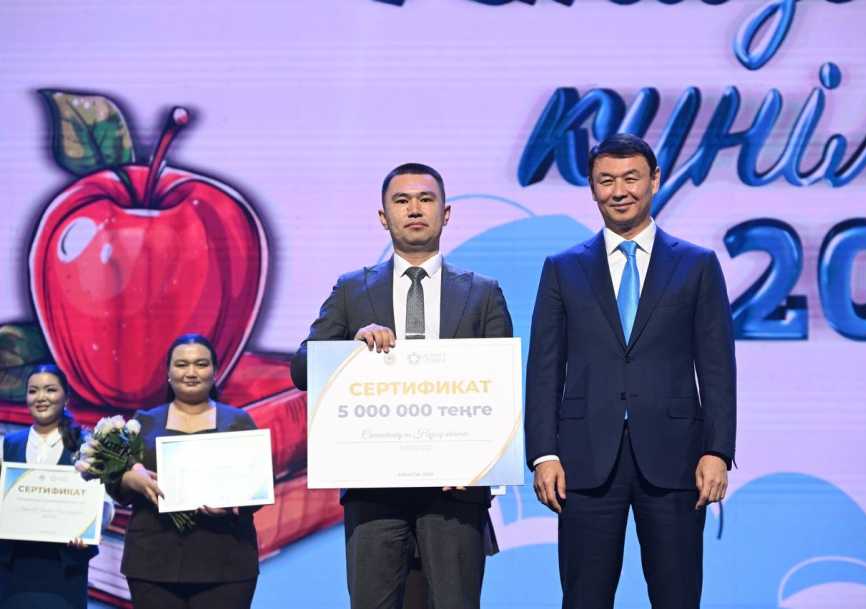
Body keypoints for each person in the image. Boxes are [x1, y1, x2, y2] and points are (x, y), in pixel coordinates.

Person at [525, 134, 737, 609]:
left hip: (677, 458)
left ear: (654, 181)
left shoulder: (697, 265)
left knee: (678, 596)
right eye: (606, 181)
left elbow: (718, 367)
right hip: (584, 461)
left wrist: (718, 450)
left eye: (631, 178)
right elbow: (543, 369)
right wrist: (543, 455)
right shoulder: (562, 268)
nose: (619, 191)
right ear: (592, 188)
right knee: (584, 597)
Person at [290, 162, 513, 609]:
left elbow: (502, 389)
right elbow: (301, 367)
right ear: (383, 216)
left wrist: (481, 466)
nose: (414, 209)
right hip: (374, 490)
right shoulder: (352, 289)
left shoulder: (482, 292)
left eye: (426, 199)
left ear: (446, 214)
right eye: (402, 200)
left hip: (456, 490)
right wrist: (350, 350)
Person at [109, 334, 260, 609]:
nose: (191, 372)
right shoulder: (144, 422)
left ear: (215, 371)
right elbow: (116, 482)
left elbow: (260, 485)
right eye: (182, 364)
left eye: (201, 364)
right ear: (168, 372)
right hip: (153, 562)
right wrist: (130, 479)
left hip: (226, 561)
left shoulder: (238, 421)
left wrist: (232, 501)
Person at [0, 363, 113, 609]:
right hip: (15, 566)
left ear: (66, 397)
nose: (41, 397)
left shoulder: (87, 445)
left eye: (50, 390)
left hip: (65, 568)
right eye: (33, 391)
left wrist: (88, 528)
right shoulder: (8, 443)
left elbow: (105, 505)